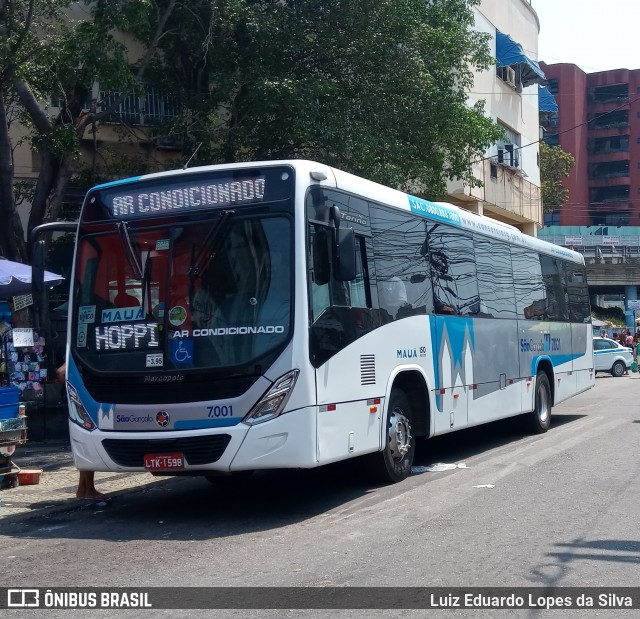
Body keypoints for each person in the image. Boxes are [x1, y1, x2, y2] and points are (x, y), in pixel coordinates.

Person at [55, 364, 107, 501]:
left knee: (84, 448)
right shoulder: (74, 360)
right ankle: (89, 490)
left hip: (75, 405)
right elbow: (60, 372)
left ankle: (82, 489)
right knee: (86, 448)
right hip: (78, 405)